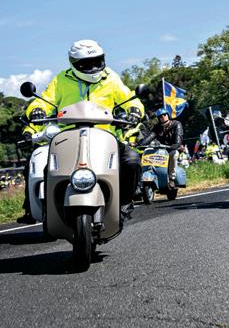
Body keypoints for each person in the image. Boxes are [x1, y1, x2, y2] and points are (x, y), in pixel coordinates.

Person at [17, 39, 143, 224]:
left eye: (97, 61)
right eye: (87, 63)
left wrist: (135, 110)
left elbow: (130, 98)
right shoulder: (61, 79)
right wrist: (36, 109)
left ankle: (124, 202)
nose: (94, 67)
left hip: (105, 137)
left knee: (131, 159)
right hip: (68, 137)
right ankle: (46, 210)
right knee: (46, 167)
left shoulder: (111, 78)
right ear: (74, 63)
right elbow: (44, 100)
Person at [138, 107, 184, 190]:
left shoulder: (176, 124)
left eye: (164, 115)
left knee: (174, 155)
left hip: (172, 148)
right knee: (146, 154)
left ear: (168, 115)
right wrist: (140, 144)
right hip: (160, 149)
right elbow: (150, 136)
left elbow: (178, 138)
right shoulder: (158, 127)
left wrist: (175, 145)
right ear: (159, 118)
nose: (163, 117)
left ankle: (171, 179)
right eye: (160, 116)